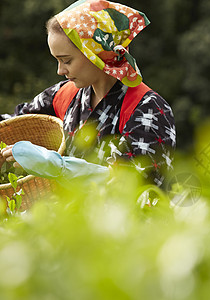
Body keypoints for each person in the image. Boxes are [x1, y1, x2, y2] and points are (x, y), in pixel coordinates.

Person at [0, 0, 176, 187]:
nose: (60, 70)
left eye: (66, 61)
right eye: (57, 61)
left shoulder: (148, 109)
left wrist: (58, 167)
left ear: (97, 53)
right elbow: (13, 124)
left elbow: (137, 184)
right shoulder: (65, 95)